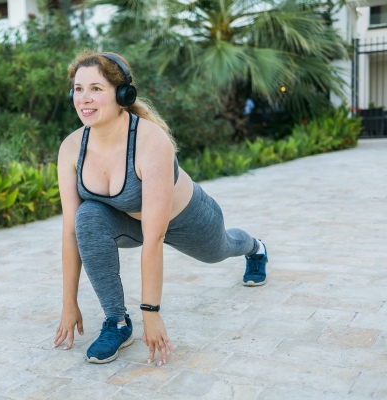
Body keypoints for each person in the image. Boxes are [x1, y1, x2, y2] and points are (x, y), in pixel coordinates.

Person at [52, 50, 268, 366]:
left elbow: (154, 238)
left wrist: (151, 312)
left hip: (186, 218)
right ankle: (118, 322)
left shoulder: (150, 142)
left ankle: (256, 247)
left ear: (122, 95)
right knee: (87, 217)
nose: (85, 98)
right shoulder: (72, 148)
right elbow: (71, 231)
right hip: (129, 223)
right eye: (79, 88)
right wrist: (68, 302)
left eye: (96, 88)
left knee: (220, 249)